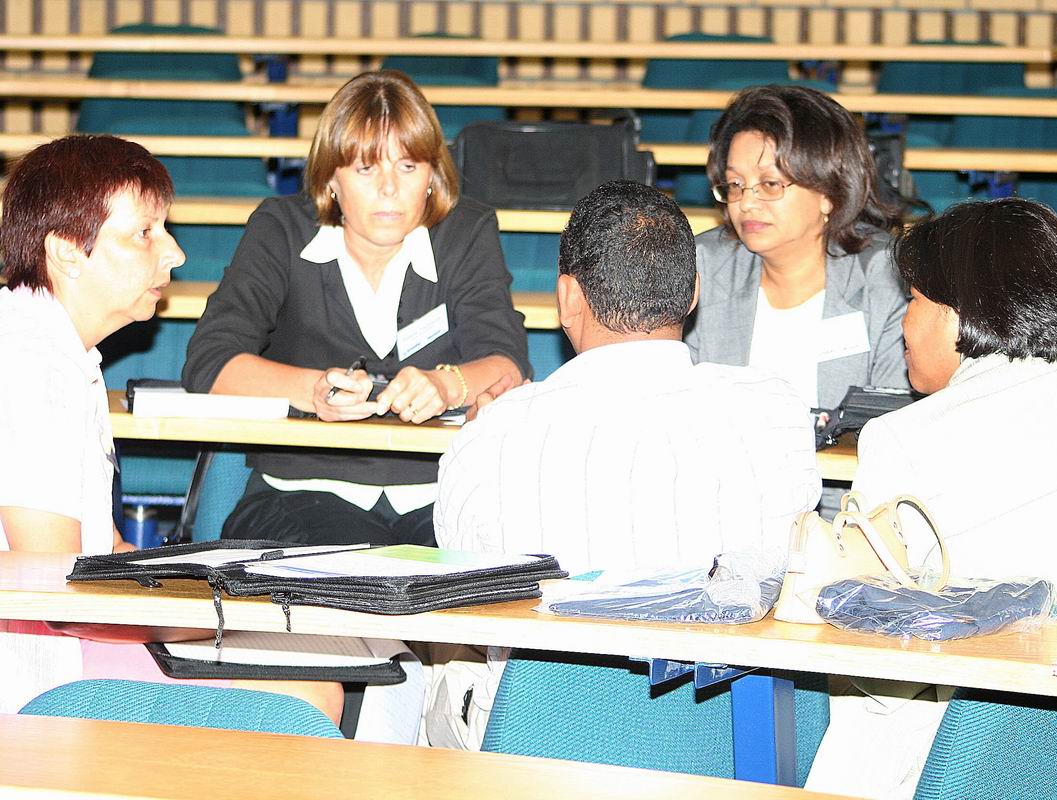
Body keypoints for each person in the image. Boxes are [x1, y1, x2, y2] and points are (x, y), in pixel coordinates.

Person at [804, 197, 1057, 800]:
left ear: (961, 314)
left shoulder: (904, 439)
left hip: (985, 757)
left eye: (914, 300)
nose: (904, 322)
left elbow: (881, 674)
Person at [426, 180, 821, 750]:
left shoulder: (491, 433)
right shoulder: (777, 410)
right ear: (694, 293)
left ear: (567, 298)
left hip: (540, 748)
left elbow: (469, 583)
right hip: (740, 745)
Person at [0, 135, 340, 720]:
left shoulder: (55, 349)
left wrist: (215, 590)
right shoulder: (32, 367)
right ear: (66, 252)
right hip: (33, 672)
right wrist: (223, 618)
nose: (175, 254)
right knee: (306, 695)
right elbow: (52, 586)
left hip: (55, 640)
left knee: (304, 657)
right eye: (144, 233)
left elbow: (104, 551)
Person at [183, 70, 530, 547]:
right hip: (300, 492)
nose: (389, 188)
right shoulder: (280, 230)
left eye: (407, 166)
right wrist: (314, 391)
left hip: (440, 493)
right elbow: (210, 362)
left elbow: (508, 363)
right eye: (367, 169)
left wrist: (447, 384)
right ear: (331, 177)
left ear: (432, 176)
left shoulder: (466, 232)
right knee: (356, 571)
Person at [685, 85, 910, 417]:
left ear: (829, 193)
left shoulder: (886, 278)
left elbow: (894, 421)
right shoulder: (702, 266)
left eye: (769, 184)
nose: (746, 203)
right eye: (735, 185)